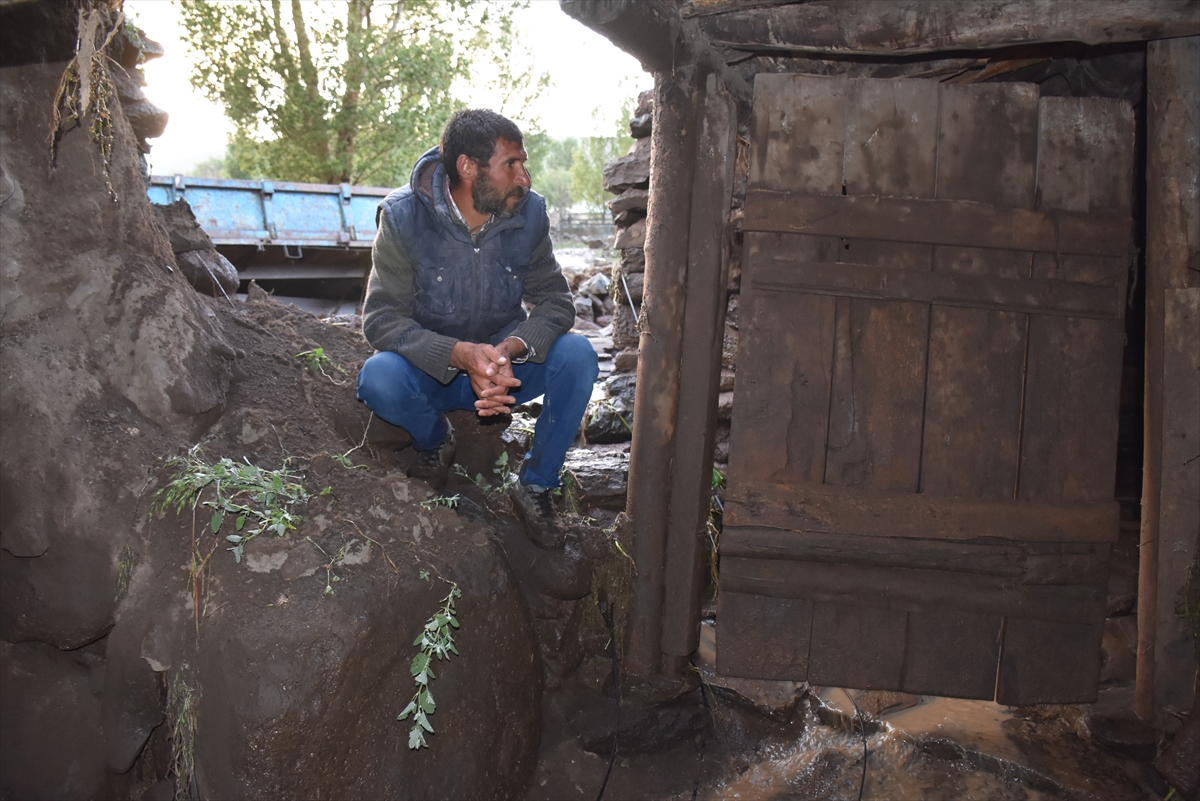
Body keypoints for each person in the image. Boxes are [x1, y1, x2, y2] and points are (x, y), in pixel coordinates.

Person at [357, 109, 598, 549]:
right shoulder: (401, 217)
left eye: (524, 164)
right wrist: (460, 354)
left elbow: (556, 301)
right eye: (512, 164)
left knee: (579, 355)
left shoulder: (530, 214)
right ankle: (434, 440)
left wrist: (513, 347)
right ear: (468, 168)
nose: (524, 178)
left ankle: (537, 484)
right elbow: (381, 319)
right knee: (379, 377)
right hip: (433, 376)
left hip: (504, 376)